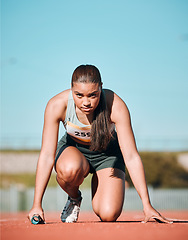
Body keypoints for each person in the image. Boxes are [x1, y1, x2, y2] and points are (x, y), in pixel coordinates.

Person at [28, 64, 171, 223]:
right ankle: (74, 198)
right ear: (71, 89)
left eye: (93, 95)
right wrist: (36, 204)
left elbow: (131, 156)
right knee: (69, 169)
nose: (86, 102)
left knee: (108, 214)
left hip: (107, 156)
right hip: (74, 152)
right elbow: (47, 155)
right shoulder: (56, 105)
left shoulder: (115, 105)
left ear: (101, 88)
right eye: (79, 95)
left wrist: (147, 205)